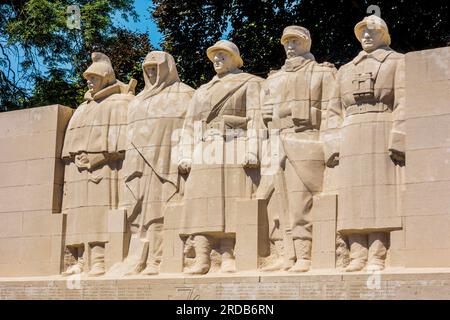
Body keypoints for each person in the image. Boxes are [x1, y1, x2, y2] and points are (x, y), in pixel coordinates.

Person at [325, 15, 406, 272]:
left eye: (373, 31)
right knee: (352, 197)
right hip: (350, 132)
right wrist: (333, 144)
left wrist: (399, 135)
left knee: (379, 196)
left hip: (380, 126)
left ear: (384, 34)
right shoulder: (346, 69)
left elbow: (404, 100)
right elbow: (332, 111)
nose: (366, 36)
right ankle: (357, 253)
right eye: (362, 32)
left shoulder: (397, 61)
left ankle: (377, 255)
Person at [178, 40, 264, 274]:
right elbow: (189, 126)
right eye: (214, 56)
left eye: (222, 56)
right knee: (199, 204)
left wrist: (253, 150)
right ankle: (202, 257)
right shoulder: (201, 91)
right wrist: (185, 154)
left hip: (234, 147)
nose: (217, 60)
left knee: (229, 203)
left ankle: (228, 255)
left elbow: (256, 118)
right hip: (204, 149)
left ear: (235, 59)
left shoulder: (250, 83)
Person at [257, 26, 336, 272]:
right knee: (275, 205)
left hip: (306, 140)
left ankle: (304, 255)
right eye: (286, 41)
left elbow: (333, 112)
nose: (290, 45)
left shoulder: (322, 73)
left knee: (301, 201)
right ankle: (284, 254)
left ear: (307, 43)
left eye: (295, 41)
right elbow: (262, 116)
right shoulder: (273, 78)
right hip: (276, 142)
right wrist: (266, 115)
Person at [61, 52, 134, 276]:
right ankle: (81, 259)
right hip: (78, 170)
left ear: (105, 78)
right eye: (88, 79)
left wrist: (97, 157)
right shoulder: (83, 108)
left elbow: (122, 143)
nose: (89, 82)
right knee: (78, 216)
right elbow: (70, 146)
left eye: (94, 78)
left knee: (99, 215)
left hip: (104, 169)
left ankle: (99, 259)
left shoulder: (120, 102)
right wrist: (76, 158)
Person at [122, 51, 194, 275]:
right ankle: (141, 257)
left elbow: (192, 127)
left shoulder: (185, 94)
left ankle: (158, 258)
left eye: (156, 68)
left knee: (159, 211)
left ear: (167, 68)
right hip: (139, 166)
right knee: (142, 212)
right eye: (148, 69)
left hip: (167, 165)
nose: (152, 73)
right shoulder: (137, 101)